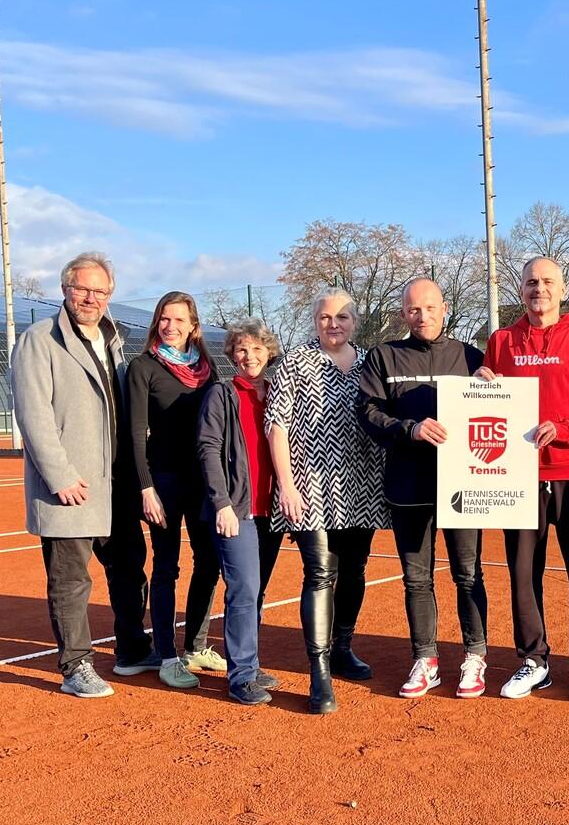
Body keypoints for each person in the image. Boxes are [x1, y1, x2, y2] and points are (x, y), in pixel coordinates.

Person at [475, 257, 569, 701]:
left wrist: (568, 428)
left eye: (547, 282)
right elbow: (488, 404)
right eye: (531, 282)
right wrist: (480, 382)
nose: (539, 289)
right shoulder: (501, 341)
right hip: (517, 476)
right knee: (522, 572)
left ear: (562, 288)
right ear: (521, 289)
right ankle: (533, 660)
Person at [10, 251, 153, 697]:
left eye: (100, 291)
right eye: (82, 289)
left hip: (116, 485)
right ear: (65, 290)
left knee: (130, 569)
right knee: (71, 580)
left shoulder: (113, 340)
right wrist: (60, 477)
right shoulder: (39, 340)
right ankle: (76, 667)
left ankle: (132, 648)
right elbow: (34, 415)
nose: (90, 298)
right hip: (72, 487)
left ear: (110, 296)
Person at [358, 278, 489, 700]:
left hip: (464, 484)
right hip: (408, 484)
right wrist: (409, 429)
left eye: (430, 308)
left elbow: (497, 408)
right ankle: (426, 659)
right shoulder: (383, 357)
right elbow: (369, 412)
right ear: (403, 314)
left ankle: (475, 655)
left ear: (445, 308)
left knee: (468, 574)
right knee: (417, 578)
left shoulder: (470, 356)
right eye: (414, 309)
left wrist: (491, 387)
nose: (423, 316)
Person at [267, 292, 389, 715]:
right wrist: (286, 485)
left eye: (342, 316)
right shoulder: (295, 363)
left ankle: (342, 648)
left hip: (363, 486)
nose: (333, 323)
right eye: (324, 317)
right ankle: (319, 672)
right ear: (314, 321)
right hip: (310, 487)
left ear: (356, 320)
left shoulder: (372, 362)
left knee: (354, 571)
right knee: (320, 573)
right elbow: (276, 426)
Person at [127, 291, 222, 690]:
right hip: (163, 482)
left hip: (203, 482)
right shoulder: (142, 367)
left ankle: (196, 645)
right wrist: (146, 488)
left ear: (193, 326)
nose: (170, 326)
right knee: (166, 567)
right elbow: (134, 434)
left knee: (210, 563)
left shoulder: (208, 367)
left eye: (179, 320)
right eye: (164, 319)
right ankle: (166, 656)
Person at [197, 318, 287, 707]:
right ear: (232, 355)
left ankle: (249, 664)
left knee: (257, 590)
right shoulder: (222, 393)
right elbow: (208, 449)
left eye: (256, 349)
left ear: (268, 352)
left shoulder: (278, 393)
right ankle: (241, 677)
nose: (249, 356)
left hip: (272, 510)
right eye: (241, 350)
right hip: (236, 510)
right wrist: (221, 503)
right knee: (244, 590)